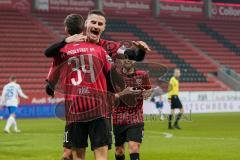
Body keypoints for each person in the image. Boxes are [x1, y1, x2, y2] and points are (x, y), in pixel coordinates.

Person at [44, 10, 151, 160]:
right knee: (67, 154)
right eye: (93, 22)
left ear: (103, 28)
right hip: (78, 106)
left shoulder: (109, 46)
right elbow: (55, 62)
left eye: (100, 24)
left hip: (99, 107)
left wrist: (140, 51)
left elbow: (133, 55)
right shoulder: (72, 44)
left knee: (89, 153)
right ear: (85, 24)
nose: (96, 25)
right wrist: (50, 86)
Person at [112, 54, 152, 160]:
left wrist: (147, 93)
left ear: (134, 61)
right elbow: (110, 97)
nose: (128, 61)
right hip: (118, 118)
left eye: (131, 58)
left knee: (133, 148)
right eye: (126, 58)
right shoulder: (114, 76)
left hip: (136, 117)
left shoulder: (142, 75)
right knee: (119, 151)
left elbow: (148, 90)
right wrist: (123, 93)